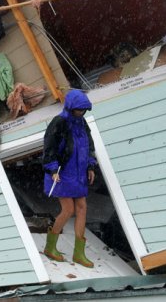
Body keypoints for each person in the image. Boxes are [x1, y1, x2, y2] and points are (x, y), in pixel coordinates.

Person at [41, 89, 96, 267]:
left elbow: (88, 144)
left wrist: (90, 165)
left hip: (79, 172)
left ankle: (79, 254)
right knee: (68, 210)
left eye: (83, 110)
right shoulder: (59, 122)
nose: (81, 113)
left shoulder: (82, 122)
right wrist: (52, 169)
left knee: (82, 208)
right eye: (78, 110)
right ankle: (50, 247)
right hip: (61, 172)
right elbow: (48, 146)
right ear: (71, 107)